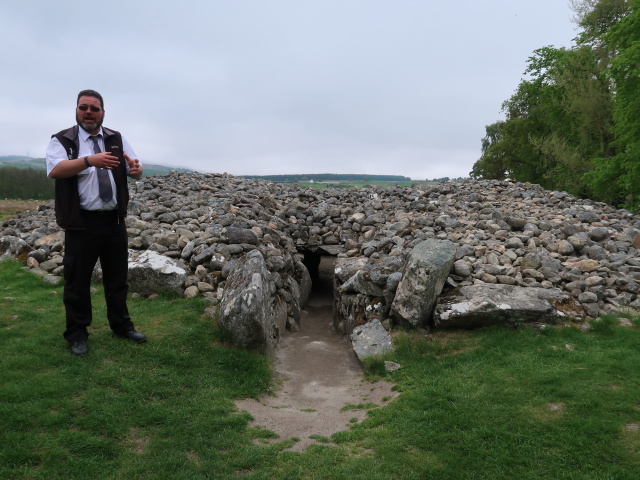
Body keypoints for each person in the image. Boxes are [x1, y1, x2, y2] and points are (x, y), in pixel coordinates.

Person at [46, 89, 146, 356]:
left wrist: (137, 171)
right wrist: (89, 160)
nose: (88, 112)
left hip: (114, 221)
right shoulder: (63, 140)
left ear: (103, 112)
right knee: (77, 282)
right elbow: (55, 170)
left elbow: (133, 168)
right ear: (76, 110)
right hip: (82, 223)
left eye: (94, 108)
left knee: (117, 279)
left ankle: (122, 326)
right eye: (83, 108)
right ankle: (77, 334)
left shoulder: (115, 138)